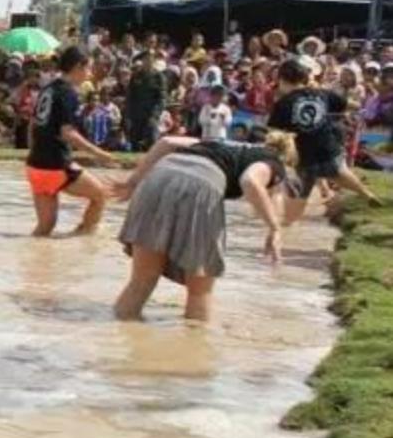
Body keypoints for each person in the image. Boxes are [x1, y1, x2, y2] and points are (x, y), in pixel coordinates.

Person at [112, 134, 297, 322]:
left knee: (142, 280)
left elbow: (166, 142)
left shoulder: (218, 141)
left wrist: (132, 182)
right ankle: (196, 345)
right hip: (202, 184)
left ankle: (121, 335)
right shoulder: (272, 162)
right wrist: (274, 228)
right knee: (199, 290)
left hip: (157, 176)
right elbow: (249, 181)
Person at [26, 46, 122, 237]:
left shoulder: (48, 88)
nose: (89, 73)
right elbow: (68, 132)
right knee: (101, 194)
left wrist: (34, 151)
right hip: (57, 165)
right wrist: (99, 154)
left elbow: (33, 124)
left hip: (35, 166)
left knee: (44, 228)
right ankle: (84, 238)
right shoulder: (68, 93)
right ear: (78, 66)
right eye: (89, 68)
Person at [268, 57, 379, 215]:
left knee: (299, 198)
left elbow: (274, 135)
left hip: (305, 158)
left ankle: (286, 225)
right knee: (340, 173)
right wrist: (361, 108)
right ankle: (366, 194)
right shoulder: (322, 93)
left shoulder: (282, 104)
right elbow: (349, 105)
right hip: (329, 148)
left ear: (282, 79)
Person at [125, 54, 166, 151]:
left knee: (151, 138)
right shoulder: (136, 76)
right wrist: (129, 114)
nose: (147, 62)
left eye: (150, 60)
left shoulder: (158, 77)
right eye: (145, 60)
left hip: (151, 112)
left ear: (153, 62)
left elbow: (162, 98)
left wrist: (155, 114)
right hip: (137, 113)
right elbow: (130, 97)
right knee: (134, 140)